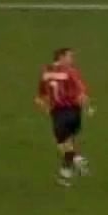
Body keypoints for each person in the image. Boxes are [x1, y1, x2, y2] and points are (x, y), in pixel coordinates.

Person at [35, 48, 93, 186]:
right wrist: (87, 107)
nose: (72, 60)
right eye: (69, 57)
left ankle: (77, 160)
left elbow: (40, 96)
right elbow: (82, 92)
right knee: (68, 144)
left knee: (63, 145)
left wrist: (45, 107)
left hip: (60, 113)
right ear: (61, 57)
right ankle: (65, 175)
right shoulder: (71, 72)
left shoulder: (46, 72)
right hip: (75, 113)